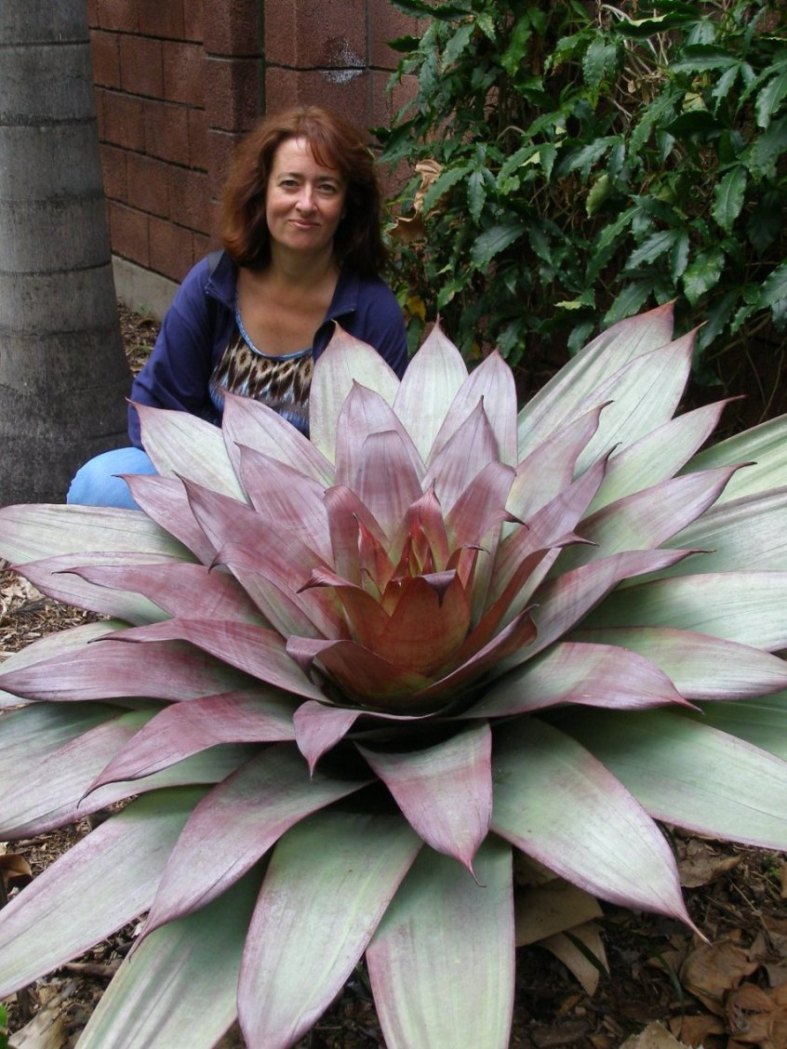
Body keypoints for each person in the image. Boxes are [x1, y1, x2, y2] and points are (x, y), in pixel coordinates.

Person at [68, 105, 408, 509]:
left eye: (327, 188)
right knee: (99, 484)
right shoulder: (213, 285)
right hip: (207, 492)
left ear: (348, 206)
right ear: (262, 192)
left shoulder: (370, 310)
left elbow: (386, 458)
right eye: (290, 183)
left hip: (316, 519)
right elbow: (154, 411)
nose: (306, 203)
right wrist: (218, 492)